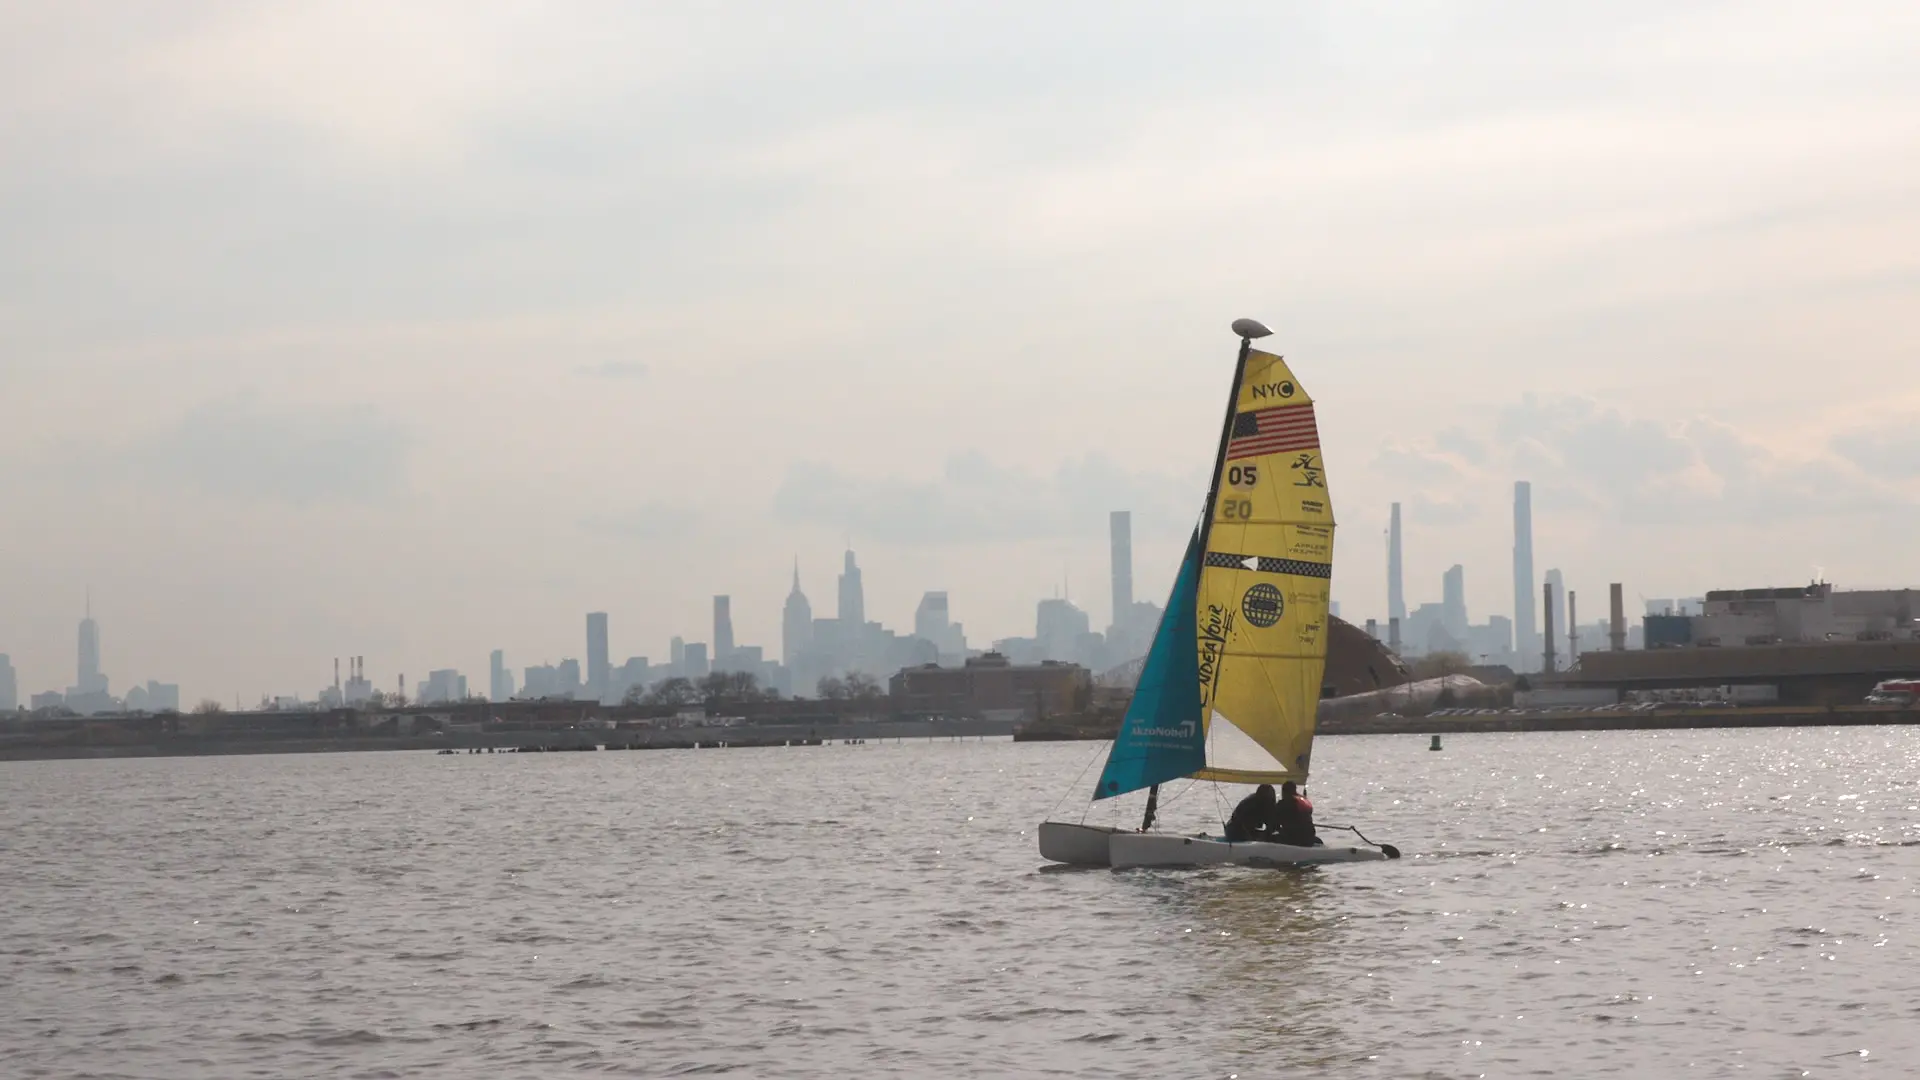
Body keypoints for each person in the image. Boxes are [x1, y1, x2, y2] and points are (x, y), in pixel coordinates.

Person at [1269, 780, 1322, 846]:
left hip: (1294, 838)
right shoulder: (1303, 800)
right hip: (1309, 835)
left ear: (1284, 792)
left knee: (1270, 838)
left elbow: (1274, 825)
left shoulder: (1283, 804)